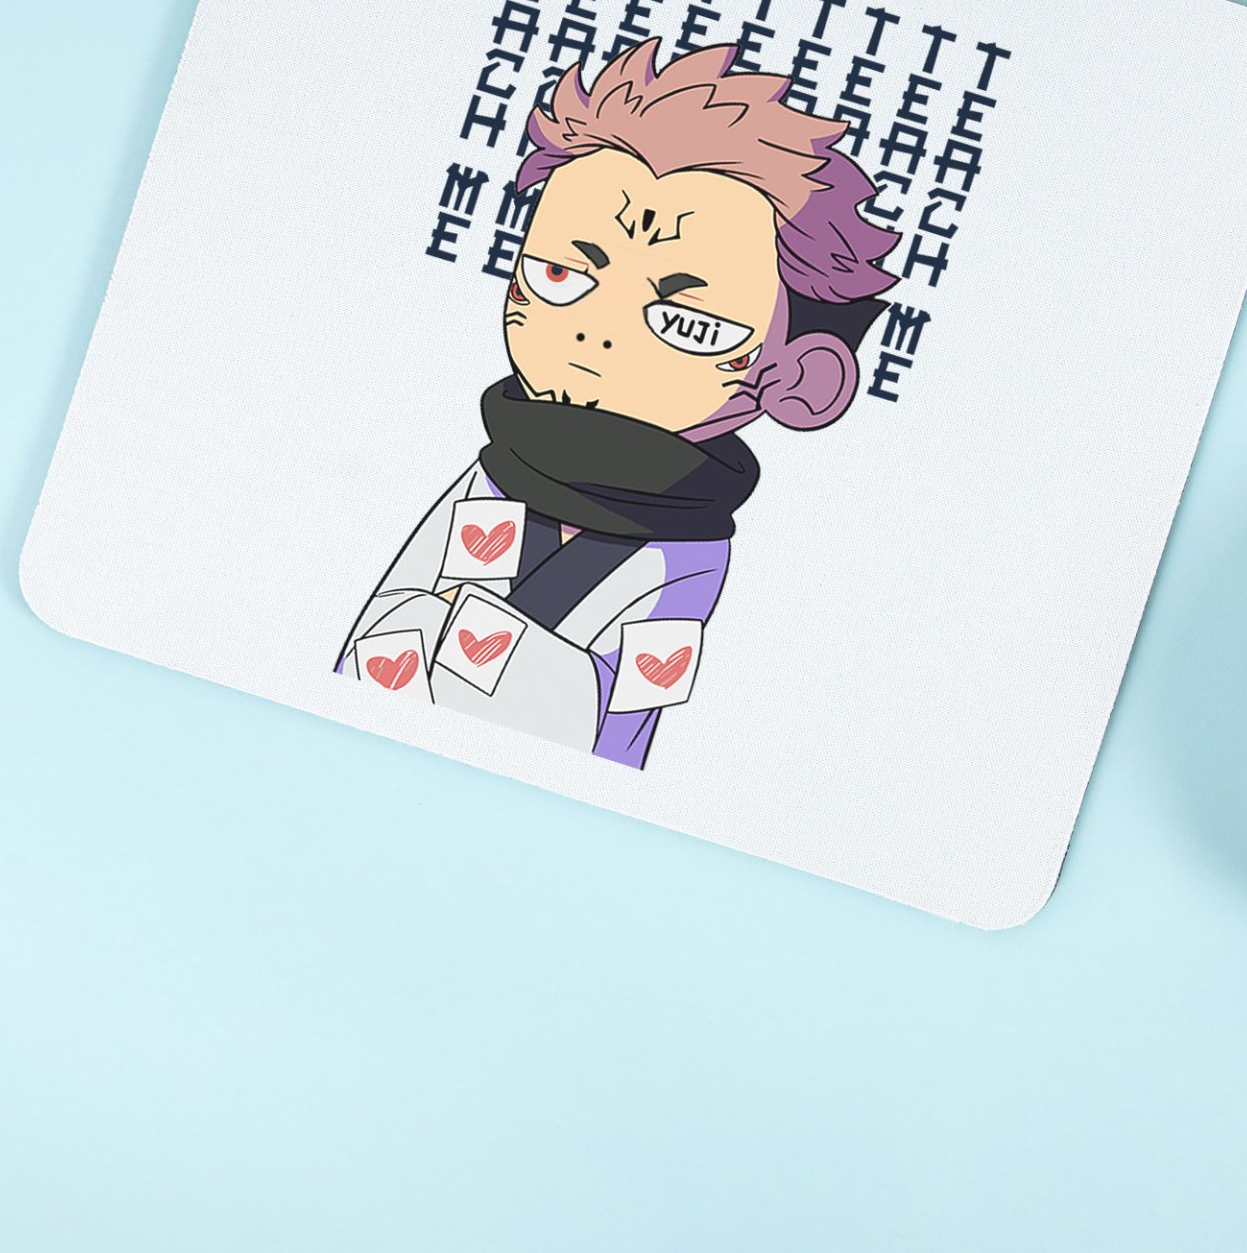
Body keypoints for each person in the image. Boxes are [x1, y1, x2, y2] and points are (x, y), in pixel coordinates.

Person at [340, 38, 900, 768]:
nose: (593, 332)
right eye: (560, 275)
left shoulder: (686, 555)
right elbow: (378, 639)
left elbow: (604, 726)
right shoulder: (494, 474)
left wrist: (467, 645)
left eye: (686, 322)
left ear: (799, 380)